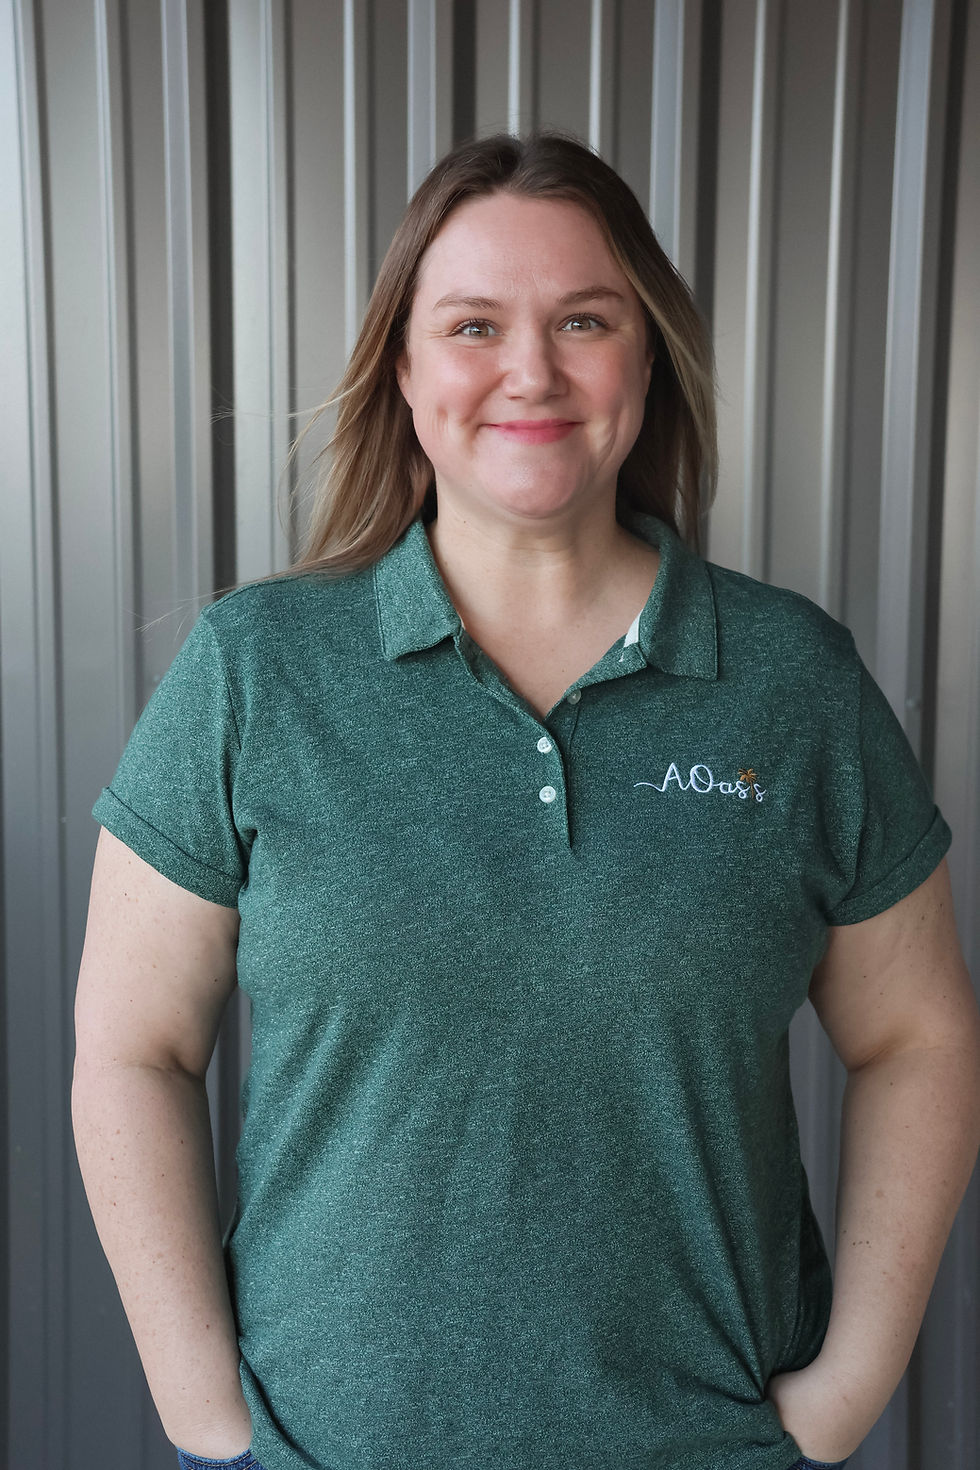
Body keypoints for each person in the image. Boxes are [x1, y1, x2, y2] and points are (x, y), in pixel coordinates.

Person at [72, 133, 980, 1470]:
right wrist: (203, 1405)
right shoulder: (256, 670)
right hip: (334, 1450)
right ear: (405, 367)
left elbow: (918, 1035)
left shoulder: (792, 682)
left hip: (707, 1446)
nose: (532, 372)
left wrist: (848, 1387)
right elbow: (131, 1045)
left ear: (647, 353)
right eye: (474, 325)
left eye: (584, 320)